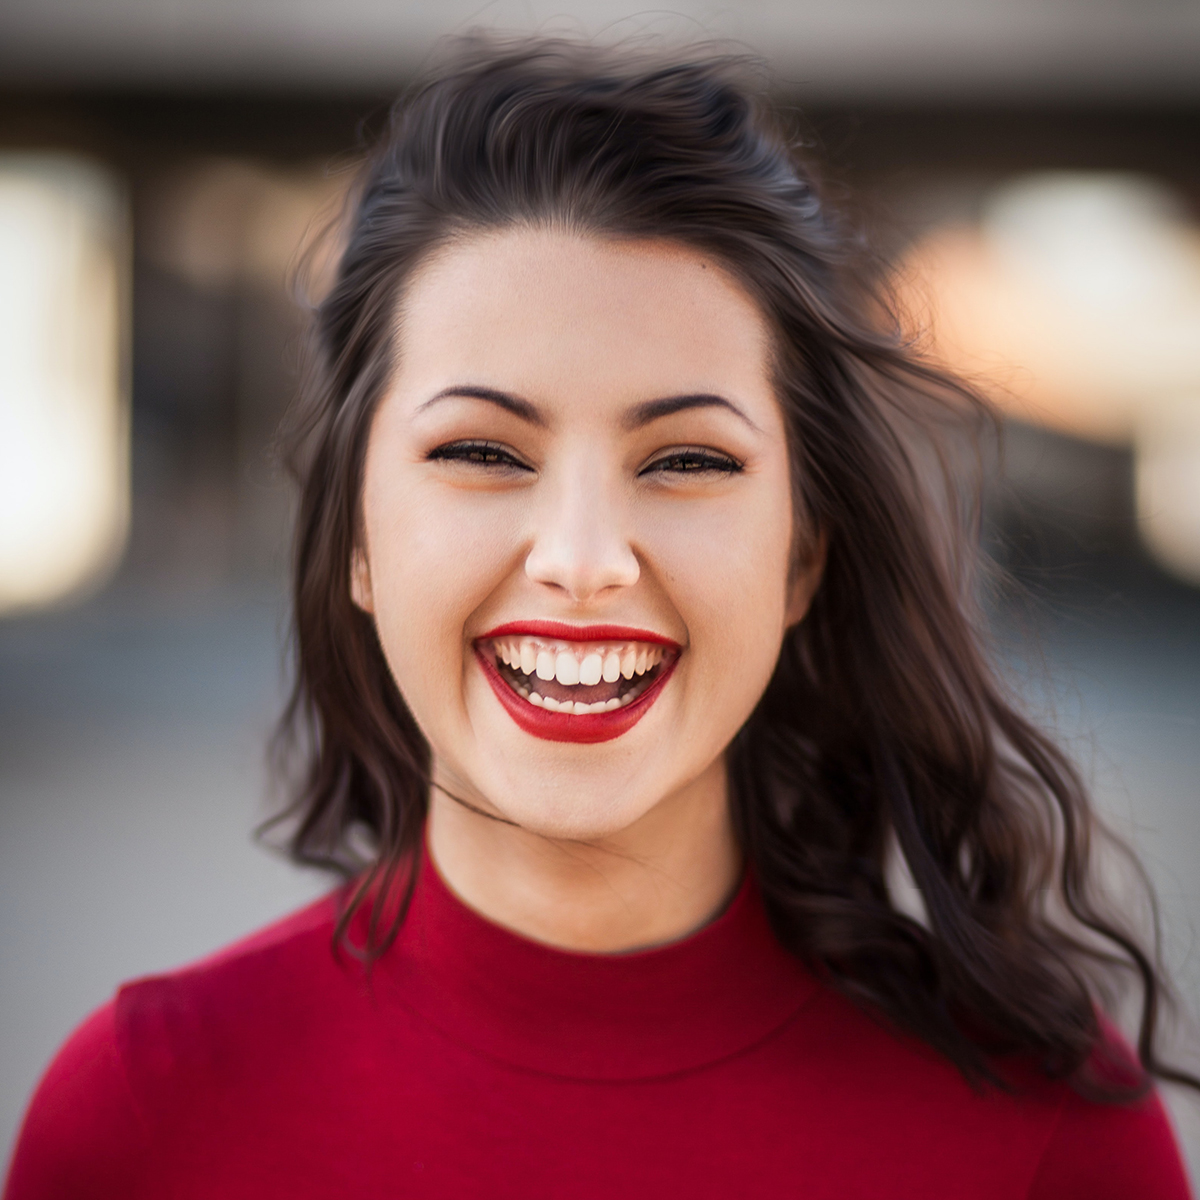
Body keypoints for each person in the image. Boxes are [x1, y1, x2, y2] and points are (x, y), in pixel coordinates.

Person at [4, 38, 1196, 1199]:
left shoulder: (1043, 1132)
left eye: (685, 460)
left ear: (804, 554)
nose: (582, 562)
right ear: (357, 536)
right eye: (481, 451)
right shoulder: (146, 1116)